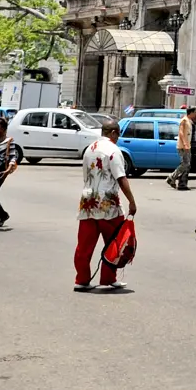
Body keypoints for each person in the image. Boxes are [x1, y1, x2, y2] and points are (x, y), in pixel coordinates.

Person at [75, 119, 135, 292]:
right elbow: (121, 178)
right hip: (108, 204)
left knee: (84, 244)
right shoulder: (113, 150)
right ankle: (108, 278)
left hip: (88, 202)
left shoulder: (89, 149)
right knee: (114, 242)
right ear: (114, 133)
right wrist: (132, 201)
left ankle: (81, 279)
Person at [171, 107, 196, 191]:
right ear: (191, 113)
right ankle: (172, 177)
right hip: (183, 146)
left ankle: (175, 180)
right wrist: (185, 143)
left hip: (188, 146)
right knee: (185, 164)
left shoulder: (190, 121)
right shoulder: (184, 120)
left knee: (187, 164)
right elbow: (181, 132)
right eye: (194, 112)